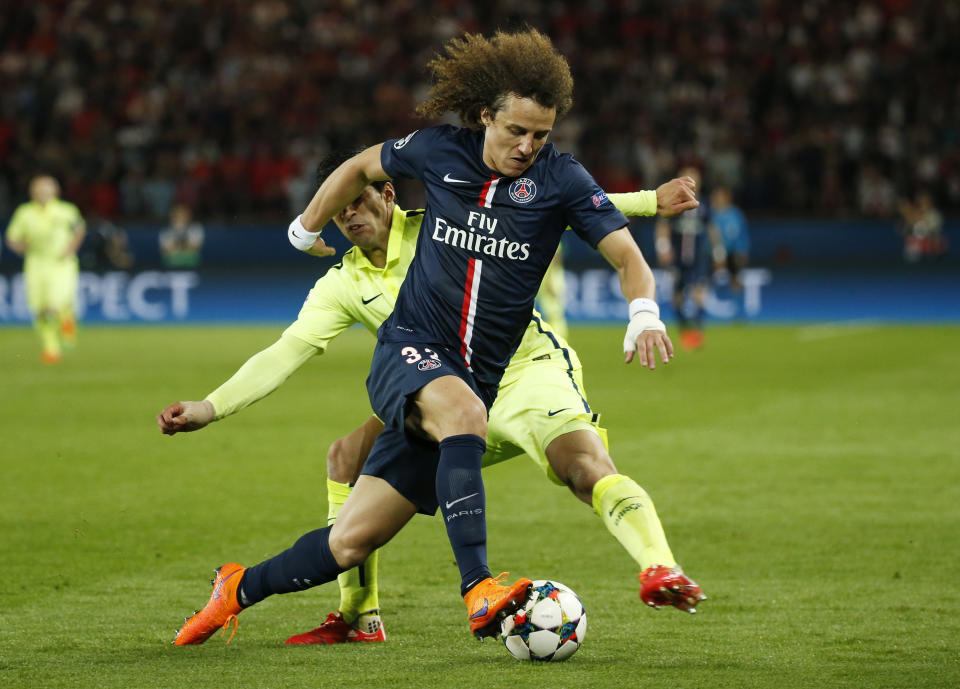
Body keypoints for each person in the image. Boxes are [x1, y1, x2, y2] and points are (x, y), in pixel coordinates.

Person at [170, 28, 700, 647]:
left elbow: (622, 250)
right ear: (484, 117)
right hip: (411, 351)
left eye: (541, 135)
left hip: (485, 374)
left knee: (349, 541)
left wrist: (644, 313)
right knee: (458, 414)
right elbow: (359, 164)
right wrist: (303, 226)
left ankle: (235, 587)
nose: (528, 146)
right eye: (515, 132)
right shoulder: (436, 154)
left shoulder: (559, 181)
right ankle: (478, 586)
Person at [4, 175, 86, 363]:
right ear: (32, 192)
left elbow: (79, 229)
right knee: (39, 309)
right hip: (35, 264)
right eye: (38, 189)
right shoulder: (24, 213)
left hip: (61, 263)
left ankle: (66, 319)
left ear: (54, 191)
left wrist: (71, 248)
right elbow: (12, 238)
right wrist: (21, 248)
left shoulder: (66, 211)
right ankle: (51, 348)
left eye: (46, 189)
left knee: (52, 305)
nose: (42, 193)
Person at [654, 165, 718, 350]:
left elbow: (712, 229)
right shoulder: (673, 203)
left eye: (694, 179)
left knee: (699, 292)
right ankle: (684, 330)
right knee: (678, 295)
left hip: (698, 257)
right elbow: (663, 226)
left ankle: (697, 331)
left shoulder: (703, 204)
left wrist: (718, 252)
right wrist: (663, 248)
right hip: (678, 257)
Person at [708, 186, 749, 291]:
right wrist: (718, 252)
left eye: (720, 196)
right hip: (713, 252)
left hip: (733, 253)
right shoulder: (710, 214)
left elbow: (742, 236)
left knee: (737, 260)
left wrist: (742, 251)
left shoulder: (736, 214)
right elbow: (709, 237)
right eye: (716, 196)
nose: (718, 199)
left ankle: (735, 286)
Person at [898, 190, 947, 263]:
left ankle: (932, 256)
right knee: (912, 254)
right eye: (921, 200)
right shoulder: (912, 213)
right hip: (916, 244)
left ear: (930, 202)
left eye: (925, 200)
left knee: (937, 241)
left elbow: (934, 231)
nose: (923, 202)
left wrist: (920, 217)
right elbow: (903, 230)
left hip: (931, 244)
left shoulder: (935, 214)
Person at [535, 247, 569, 339]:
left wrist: (550, 281)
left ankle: (557, 337)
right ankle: (557, 337)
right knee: (553, 314)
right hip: (546, 277)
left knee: (554, 313)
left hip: (549, 277)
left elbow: (555, 258)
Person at [158, 203, 204, 268]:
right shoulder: (165, 231)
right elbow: (168, 251)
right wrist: (185, 249)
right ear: (172, 216)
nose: (181, 217)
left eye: (183, 214)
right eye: (177, 215)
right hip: (170, 266)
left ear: (189, 216)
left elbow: (194, 248)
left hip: (193, 266)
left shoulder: (196, 228)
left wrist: (177, 249)